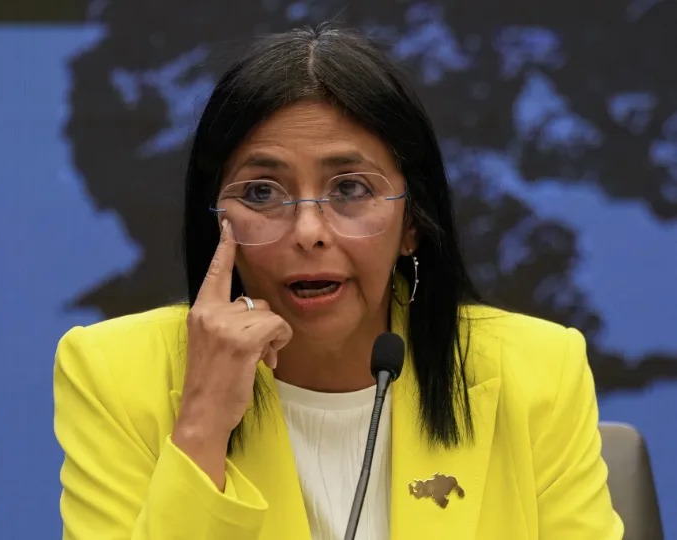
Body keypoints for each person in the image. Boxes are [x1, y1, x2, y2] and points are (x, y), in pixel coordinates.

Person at [53, 24, 624, 539]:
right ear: (217, 219)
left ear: (412, 222)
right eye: (261, 192)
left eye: (350, 189)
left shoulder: (538, 371)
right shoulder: (115, 376)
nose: (309, 232)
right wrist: (202, 424)